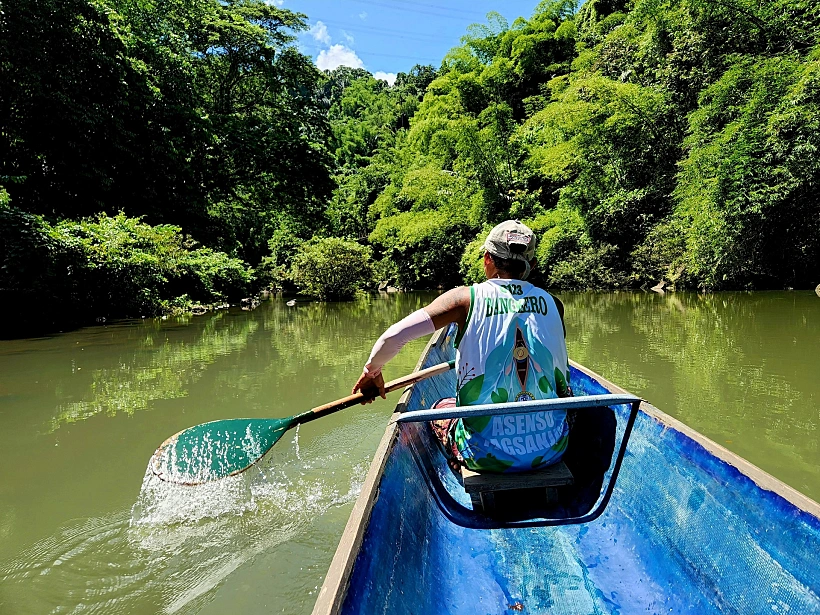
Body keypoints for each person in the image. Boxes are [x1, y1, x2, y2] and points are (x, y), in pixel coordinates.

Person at [352, 220, 572, 473]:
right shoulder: (553, 304)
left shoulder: (464, 299)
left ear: (487, 258)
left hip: (485, 456)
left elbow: (392, 338)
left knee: (441, 407)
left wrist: (372, 373)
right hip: (552, 449)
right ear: (531, 265)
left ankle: (454, 461)